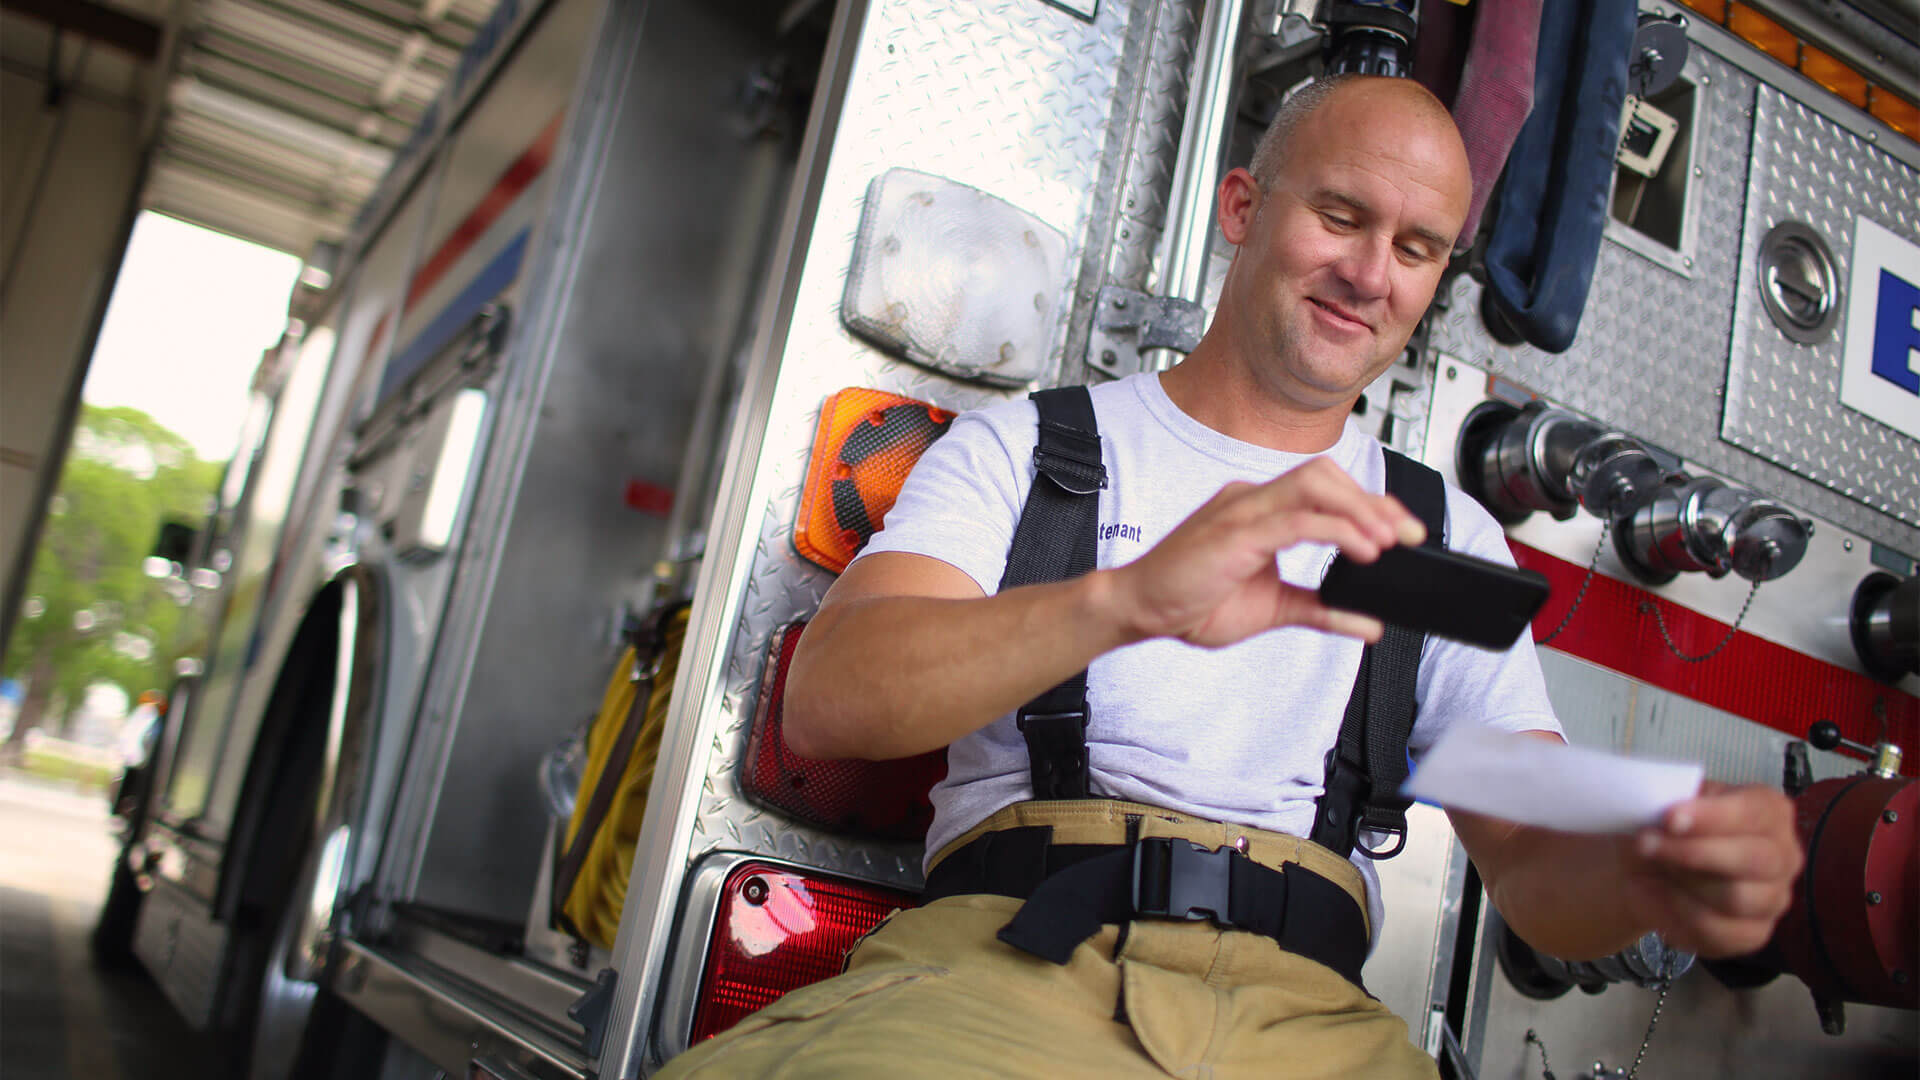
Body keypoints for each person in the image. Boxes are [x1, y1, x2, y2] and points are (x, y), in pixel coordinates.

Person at [657, 74, 1801, 1079]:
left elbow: (1539, 862)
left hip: (1313, 1025)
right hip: (1002, 981)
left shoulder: (1440, 533)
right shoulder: (1036, 453)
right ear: (1244, 207)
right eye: (1341, 216)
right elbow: (831, 700)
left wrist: (1657, 880)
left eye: (1414, 250)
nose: (1367, 274)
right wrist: (1126, 600)